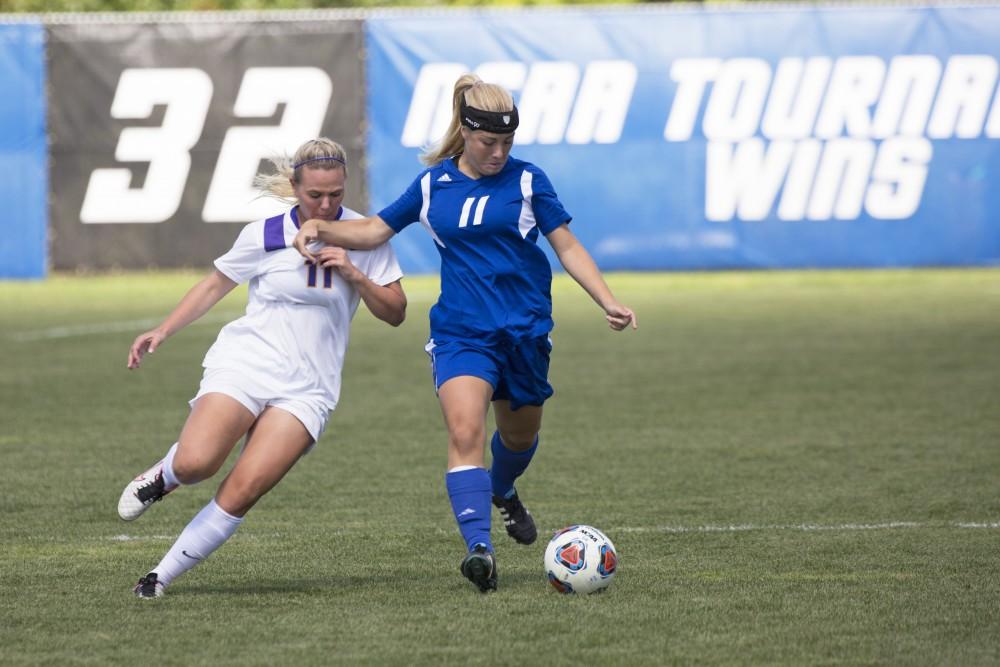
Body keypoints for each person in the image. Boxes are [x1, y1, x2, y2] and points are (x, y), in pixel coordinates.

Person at [292, 75, 637, 593]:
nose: (498, 152)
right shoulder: (432, 184)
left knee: (519, 439)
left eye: (506, 143)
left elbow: (565, 245)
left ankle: (502, 489)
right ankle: (480, 551)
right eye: (487, 142)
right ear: (466, 131)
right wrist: (323, 228)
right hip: (461, 334)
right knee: (464, 433)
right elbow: (375, 230)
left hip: (524, 333)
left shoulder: (527, 181)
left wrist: (606, 299)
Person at [118, 138, 406, 598]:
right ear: (295, 187)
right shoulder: (265, 233)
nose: (327, 204)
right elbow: (215, 284)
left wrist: (354, 273)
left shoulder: (366, 234)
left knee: (243, 489)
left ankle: (159, 577)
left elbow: (395, 312)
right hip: (247, 363)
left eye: (336, 193)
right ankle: (167, 473)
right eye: (316, 195)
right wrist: (163, 330)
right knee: (197, 463)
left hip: (309, 389)